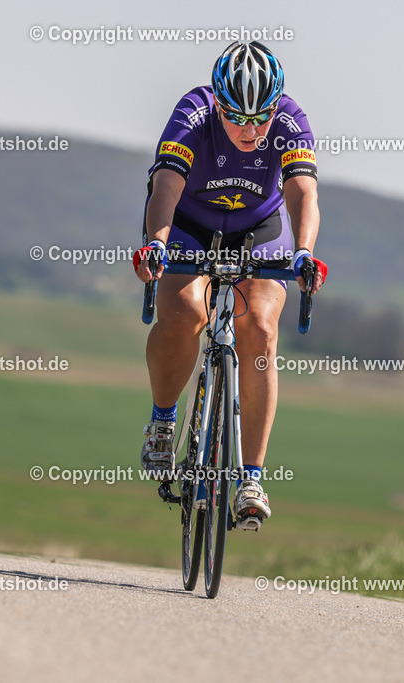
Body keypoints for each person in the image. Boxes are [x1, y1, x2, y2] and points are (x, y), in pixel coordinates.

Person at [134, 41, 327, 525]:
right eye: (237, 117)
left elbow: (302, 191)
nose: (250, 129)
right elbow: (166, 188)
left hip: (257, 230)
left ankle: (252, 477)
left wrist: (303, 251)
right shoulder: (193, 112)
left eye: (260, 117)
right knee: (185, 314)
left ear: (275, 107)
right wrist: (157, 244)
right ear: (218, 102)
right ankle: (162, 421)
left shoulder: (289, 121)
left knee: (259, 329)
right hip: (188, 225)